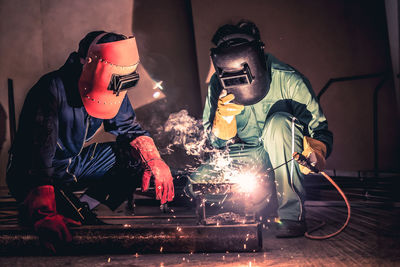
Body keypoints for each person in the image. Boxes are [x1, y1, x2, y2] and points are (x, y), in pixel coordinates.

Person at [6, 31, 174, 251]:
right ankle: (61, 209)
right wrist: (43, 212)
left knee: (133, 157)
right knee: (75, 231)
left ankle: (83, 206)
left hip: (71, 164)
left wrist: (154, 159)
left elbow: (131, 131)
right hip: (32, 173)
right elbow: (38, 157)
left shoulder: (115, 86)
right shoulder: (51, 89)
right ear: (85, 63)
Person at [188, 21, 333, 238]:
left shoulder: (288, 79)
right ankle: (260, 199)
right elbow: (214, 143)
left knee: (279, 123)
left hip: (283, 153)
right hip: (248, 154)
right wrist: (223, 119)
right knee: (196, 185)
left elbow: (319, 129)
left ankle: (291, 215)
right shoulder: (218, 85)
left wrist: (316, 153)